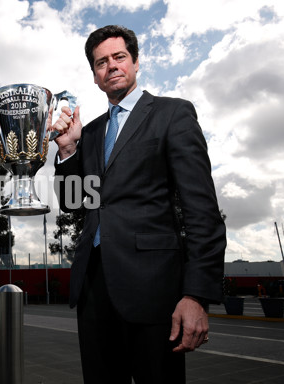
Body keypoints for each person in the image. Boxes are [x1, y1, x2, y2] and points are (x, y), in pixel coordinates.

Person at [52, 25, 226, 383]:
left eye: (119, 57)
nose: (111, 66)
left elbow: (202, 210)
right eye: (101, 62)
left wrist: (196, 294)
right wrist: (68, 149)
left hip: (154, 287)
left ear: (135, 63)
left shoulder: (172, 114)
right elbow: (76, 204)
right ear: (96, 77)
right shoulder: (91, 131)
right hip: (94, 287)